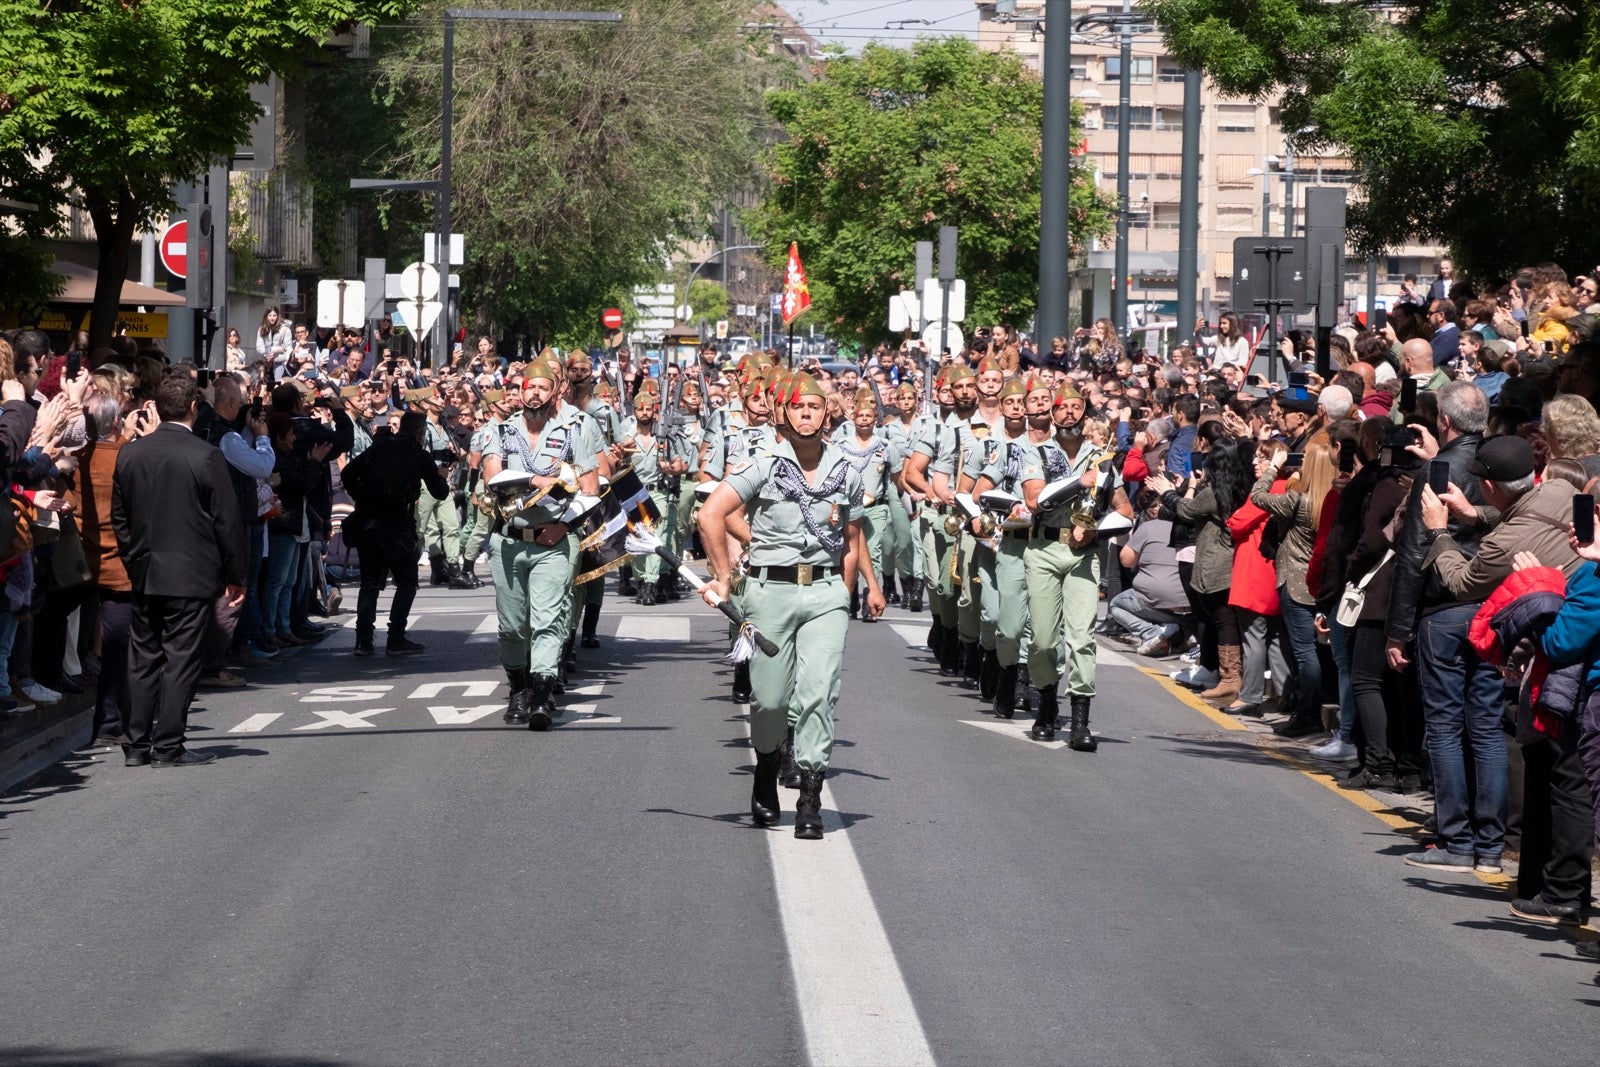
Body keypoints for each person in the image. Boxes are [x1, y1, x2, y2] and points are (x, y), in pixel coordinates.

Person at [697, 371, 883, 839]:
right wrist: (723, 577)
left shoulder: (848, 468)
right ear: (784, 413)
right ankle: (765, 765)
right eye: (798, 407)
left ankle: (810, 799)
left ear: (826, 414)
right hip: (769, 593)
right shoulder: (764, 464)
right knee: (771, 700)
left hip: (824, 594)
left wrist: (848, 592)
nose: (807, 414)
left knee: (819, 693)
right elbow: (710, 514)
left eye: (815, 407)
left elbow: (852, 538)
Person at [110, 374, 245, 767]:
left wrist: (133, 559)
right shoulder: (205, 455)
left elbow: (119, 518)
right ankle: (168, 745)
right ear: (192, 408)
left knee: (143, 659)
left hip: (146, 570)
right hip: (191, 574)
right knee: (181, 660)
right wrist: (236, 574)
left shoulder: (130, 454)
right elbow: (227, 521)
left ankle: (136, 746)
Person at [480, 357, 600, 729]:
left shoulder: (575, 432)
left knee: (548, 621)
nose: (534, 392)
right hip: (510, 542)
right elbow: (493, 480)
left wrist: (564, 526)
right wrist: (536, 482)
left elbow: (591, 489)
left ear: (554, 394)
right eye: (527, 386)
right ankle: (518, 687)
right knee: (513, 627)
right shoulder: (496, 431)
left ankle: (542, 693)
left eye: (542, 387)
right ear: (518, 392)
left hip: (555, 542)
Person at [341, 411, 452, 657]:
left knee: (369, 583)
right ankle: (396, 637)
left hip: (368, 523)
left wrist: (364, 498)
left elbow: (347, 473)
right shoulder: (417, 454)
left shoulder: (379, 448)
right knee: (407, 581)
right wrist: (441, 475)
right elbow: (441, 492)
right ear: (421, 433)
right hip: (397, 525)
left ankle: (363, 640)